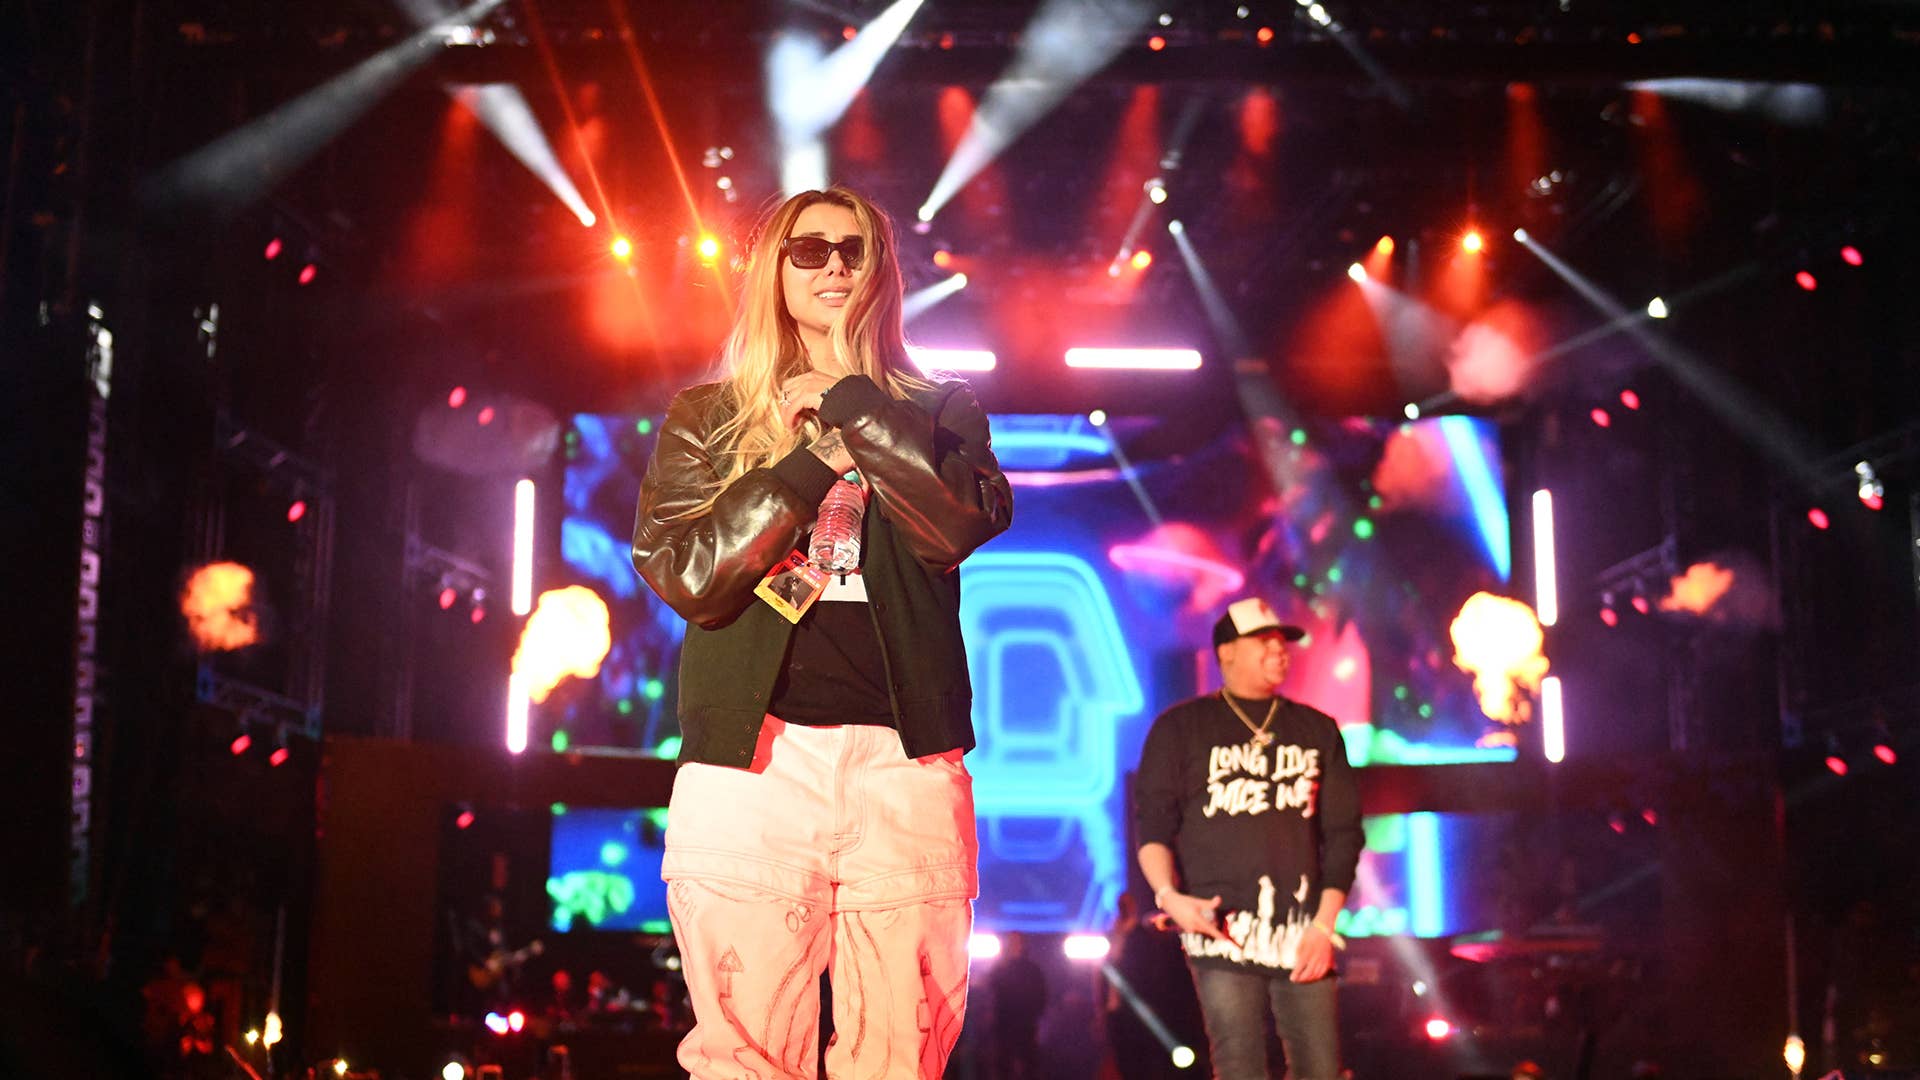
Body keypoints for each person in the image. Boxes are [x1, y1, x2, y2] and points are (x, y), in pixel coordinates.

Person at [631, 185, 1012, 1080]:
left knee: (900, 1058)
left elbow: (956, 522)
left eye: (856, 248)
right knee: (745, 1059)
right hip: (753, 766)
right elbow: (690, 575)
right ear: (775, 269)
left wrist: (855, 406)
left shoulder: (942, 410)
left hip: (904, 765)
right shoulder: (707, 417)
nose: (835, 264)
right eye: (811, 249)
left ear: (882, 270)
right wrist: (809, 464)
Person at [1132, 597, 1364, 1080]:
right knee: (1239, 1066)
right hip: (1220, 929)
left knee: (1321, 1069)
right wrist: (1169, 897)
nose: (1279, 651)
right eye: (1264, 641)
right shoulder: (1181, 728)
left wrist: (1323, 927)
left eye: (1283, 642)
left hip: (1304, 931)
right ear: (1226, 653)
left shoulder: (1316, 729)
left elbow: (1343, 835)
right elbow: (1152, 824)